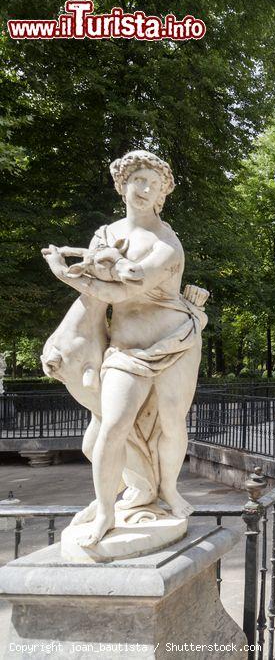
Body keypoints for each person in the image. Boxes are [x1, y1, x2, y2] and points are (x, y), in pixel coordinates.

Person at [41, 150, 207, 548]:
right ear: (123, 185)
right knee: (112, 426)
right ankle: (105, 511)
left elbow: (130, 285)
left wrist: (67, 274)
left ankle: (169, 491)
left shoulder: (167, 242)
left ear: (162, 192)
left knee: (171, 421)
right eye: (137, 179)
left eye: (153, 182)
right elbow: (97, 294)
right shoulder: (104, 233)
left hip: (176, 340)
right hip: (127, 347)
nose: (144, 188)